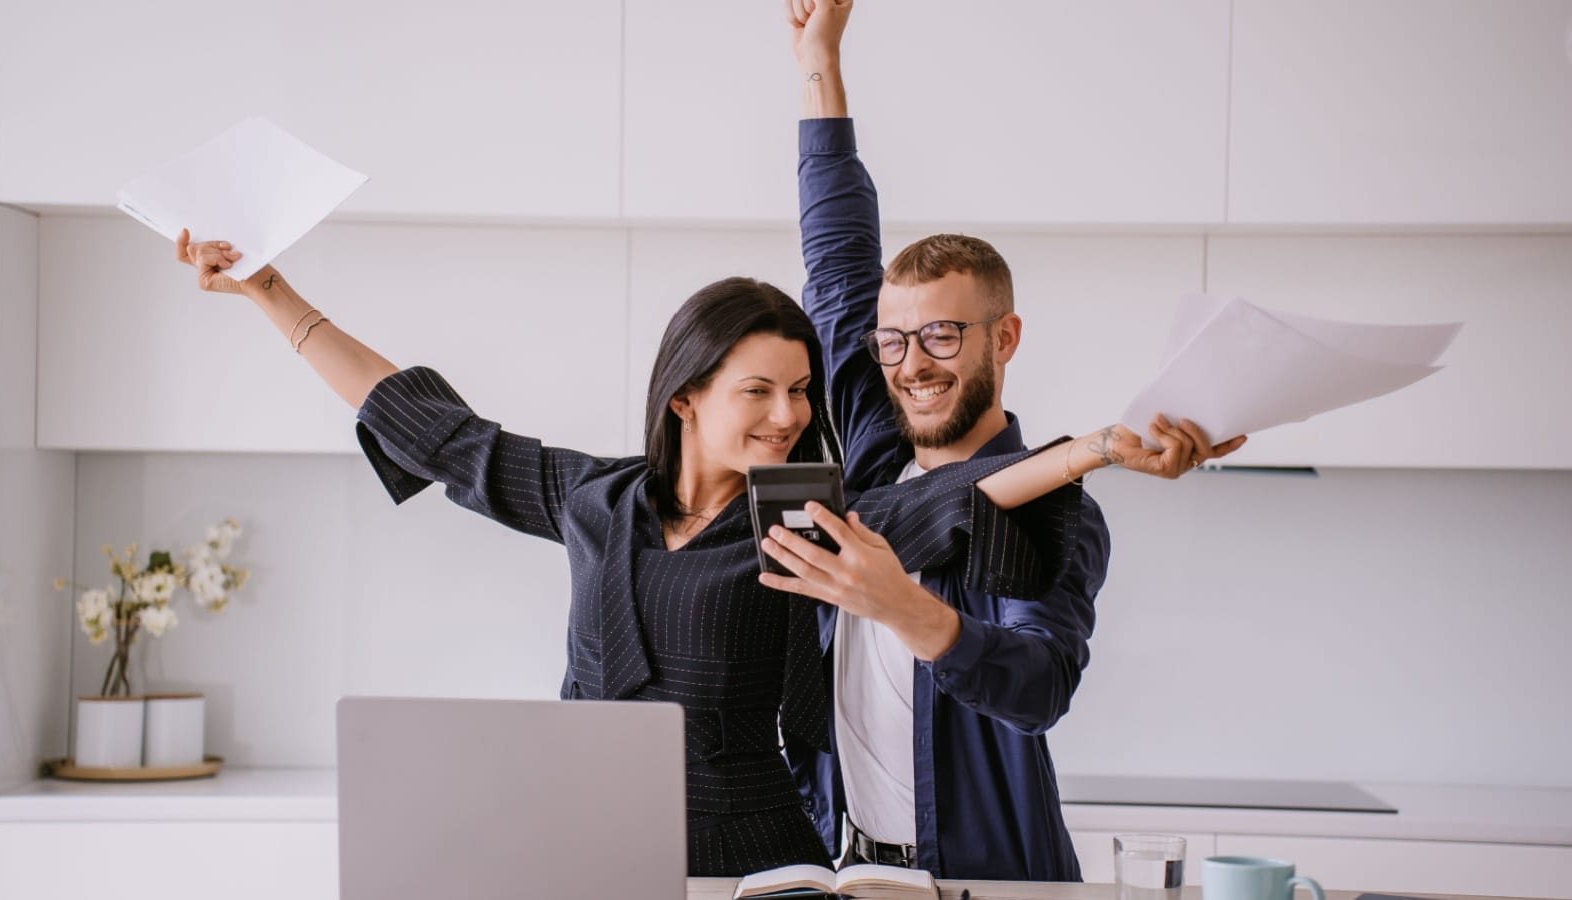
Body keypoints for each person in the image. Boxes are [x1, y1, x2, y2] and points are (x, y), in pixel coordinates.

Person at [175, 216, 1215, 875]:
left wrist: (1100, 450)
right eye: (757, 390)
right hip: (593, 852)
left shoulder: (802, 522)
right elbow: (437, 432)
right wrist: (269, 292)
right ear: (685, 395)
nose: (785, 413)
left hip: (763, 861)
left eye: (801, 391)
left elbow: (959, 496)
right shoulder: (593, 498)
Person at [771, 0, 1247, 882]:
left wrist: (903, 606)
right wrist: (820, 62)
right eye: (897, 341)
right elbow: (837, 260)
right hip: (852, 869)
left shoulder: (1052, 510)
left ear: (1006, 338)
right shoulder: (875, 450)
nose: (913, 365)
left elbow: (1040, 686)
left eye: (944, 336)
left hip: (990, 878)